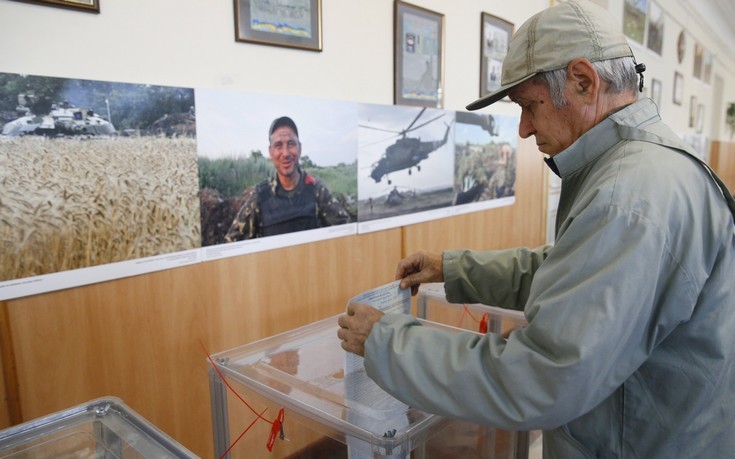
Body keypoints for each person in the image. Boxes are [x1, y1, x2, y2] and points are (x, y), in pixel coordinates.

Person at [337, 1, 735, 457]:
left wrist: (384, 341)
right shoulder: (642, 167)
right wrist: (451, 269)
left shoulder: (629, 197)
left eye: (529, 106)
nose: (524, 129)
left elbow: (540, 379)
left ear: (584, 82)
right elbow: (571, 272)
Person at [225, 116, 351, 241]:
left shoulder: (317, 191)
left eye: (291, 144)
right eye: (278, 146)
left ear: (300, 149)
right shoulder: (259, 197)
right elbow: (231, 245)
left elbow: (346, 233)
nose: (285, 153)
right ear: (270, 152)